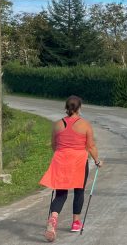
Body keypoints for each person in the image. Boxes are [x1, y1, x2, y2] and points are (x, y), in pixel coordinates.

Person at [40, 95, 102, 242]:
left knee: (61, 193)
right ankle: (75, 222)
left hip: (61, 160)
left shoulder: (57, 124)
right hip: (79, 161)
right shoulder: (85, 125)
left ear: (66, 108)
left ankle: (53, 218)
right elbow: (90, 146)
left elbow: (54, 145)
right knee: (79, 191)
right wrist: (97, 161)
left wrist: (61, 154)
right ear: (79, 108)